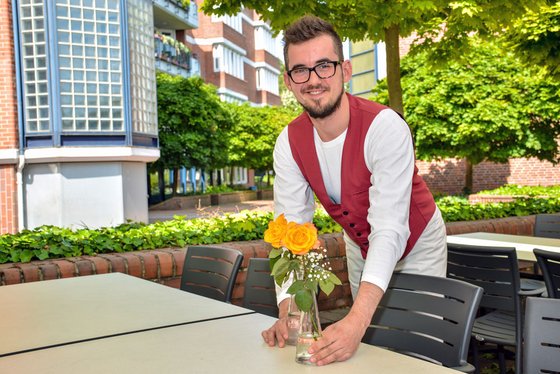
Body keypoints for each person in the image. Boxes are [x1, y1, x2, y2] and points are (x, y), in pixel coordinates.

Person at [261, 15, 447, 366]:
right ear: (289, 81)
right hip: (360, 244)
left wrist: (356, 320)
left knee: (418, 349)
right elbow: (290, 232)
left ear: (345, 70)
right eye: (300, 70)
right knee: (370, 352)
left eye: (324, 66)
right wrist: (290, 312)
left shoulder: (385, 127)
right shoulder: (288, 142)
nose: (313, 80)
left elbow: (390, 228)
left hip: (418, 242)